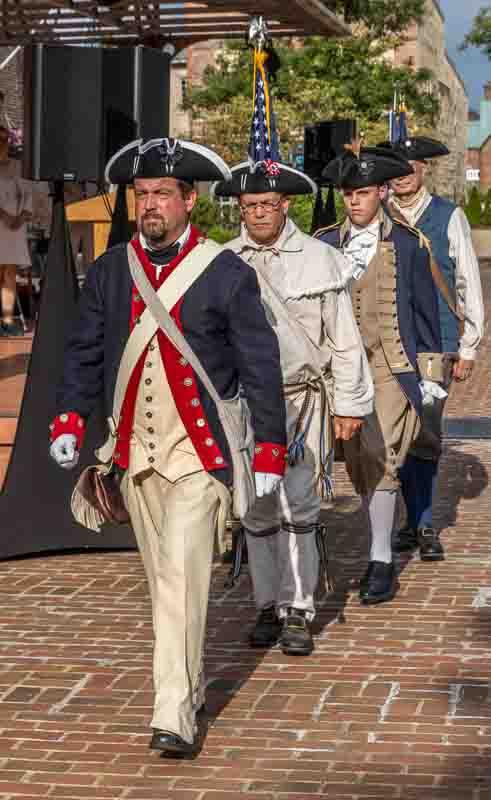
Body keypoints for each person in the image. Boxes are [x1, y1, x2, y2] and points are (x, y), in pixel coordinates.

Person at [49, 137, 288, 756]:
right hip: (134, 453)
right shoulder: (109, 270)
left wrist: (268, 448)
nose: (149, 203)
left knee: (181, 576)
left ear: (189, 200)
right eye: (141, 193)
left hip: (198, 455)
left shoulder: (226, 273)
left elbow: (258, 365)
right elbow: (84, 352)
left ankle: (172, 714)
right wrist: (72, 417)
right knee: (165, 584)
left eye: (161, 193)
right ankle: (189, 683)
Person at [214, 158, 373, 657]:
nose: (257, 213)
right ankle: (267, 602)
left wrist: (349, 403)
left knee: (299, 504)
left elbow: (344, 340)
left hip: (301, 402)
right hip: (244, 405)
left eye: (266, 204)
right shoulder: (221, 260)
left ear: (284, 205)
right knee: (255, 507)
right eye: (248, 206)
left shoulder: (320, 258)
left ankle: (299, 608)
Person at [315, 145, 443, 605]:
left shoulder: (409, 244)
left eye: (363, 193)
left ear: (382, 193)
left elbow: (426, 315)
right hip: (338, 367)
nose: (354, 202)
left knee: (382, 452)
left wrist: (431, 373)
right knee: (355, 459)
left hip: (391, 367)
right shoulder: (325, 242)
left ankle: (381, 559)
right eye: (349, 194)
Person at [382, 134, 485, 560]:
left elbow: (466, 280)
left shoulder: (447, 216)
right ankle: (409, 515)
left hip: (433, 344)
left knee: (425, 431)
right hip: (386, 342)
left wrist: (469, 346)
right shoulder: (377, 215)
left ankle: (422, 523)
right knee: (391, 434)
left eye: (413, 165)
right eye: (398, 166)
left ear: (424, 169)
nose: (405, 173)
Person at [0, 118, 32, 336]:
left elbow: (28, 195)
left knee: (9, 273)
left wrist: (20, 217)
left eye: (4, 139)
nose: (3, 143)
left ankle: (7, 319)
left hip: (14, 229)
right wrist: (4, 215)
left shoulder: (17, 166)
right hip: (2, 223)